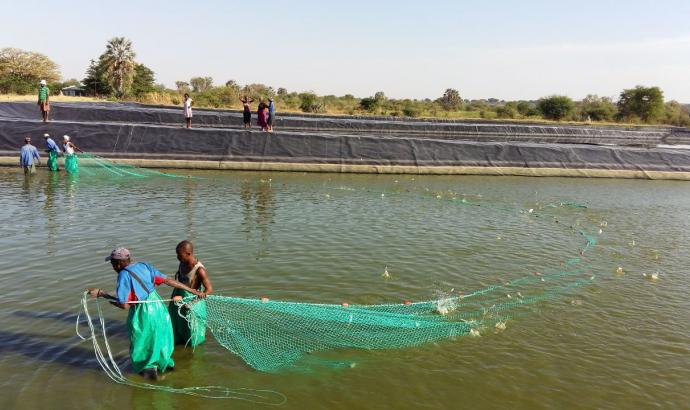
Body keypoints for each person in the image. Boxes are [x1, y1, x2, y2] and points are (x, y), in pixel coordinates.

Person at [86, 247, 205, 380]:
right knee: (160, 341)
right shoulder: (143, 266)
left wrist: (102, 294)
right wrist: (192, 291)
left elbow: (124, 305)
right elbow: (168, 281)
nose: (113, 267)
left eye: (113, 263)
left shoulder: (123, 275)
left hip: (143, 314)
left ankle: (152, 380)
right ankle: (169, 368)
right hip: (159, 309)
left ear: (118, 263)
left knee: (142, 346)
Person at [168, 240, 213, 347]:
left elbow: (209, 289)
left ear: (188, 253)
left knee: (191, 328)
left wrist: (195, 301)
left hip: (192, 300)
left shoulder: (199, 270)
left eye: (179, 255)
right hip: (179, 296)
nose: (178, 258)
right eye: (177, 255)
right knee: (177, 323)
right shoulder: (182, 263)